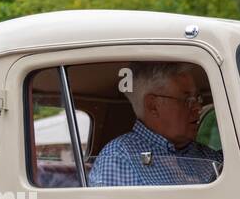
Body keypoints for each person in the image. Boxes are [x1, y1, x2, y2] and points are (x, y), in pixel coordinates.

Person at [88, 62, 223, 186]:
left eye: (197, 98)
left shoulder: (210, 157)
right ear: (153, 106)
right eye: (187, 99)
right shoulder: (119, 158)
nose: (197, 108)